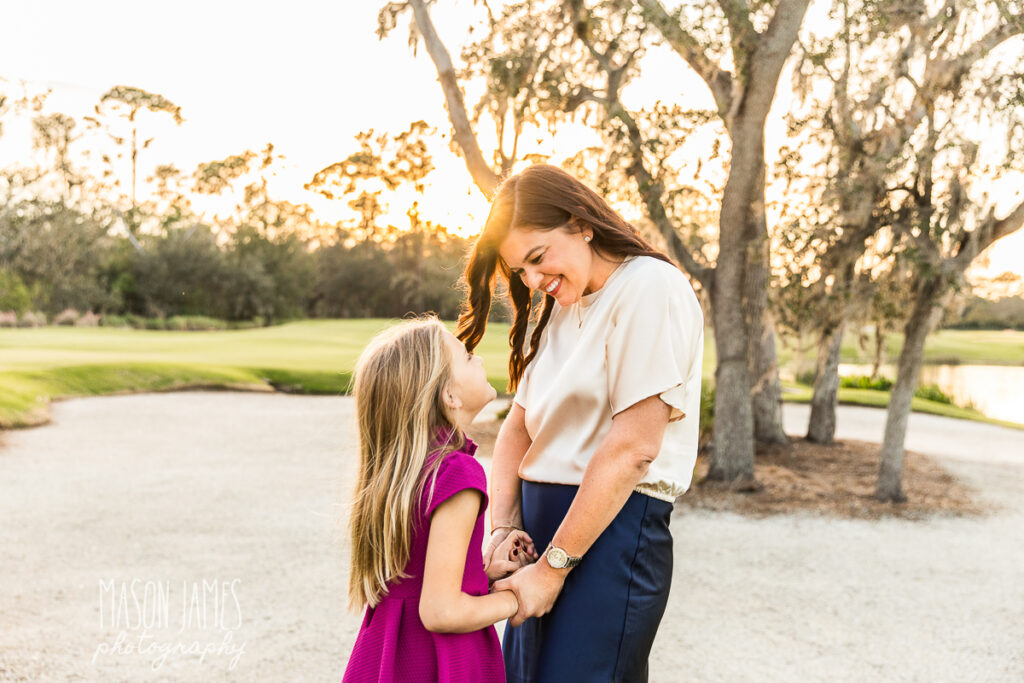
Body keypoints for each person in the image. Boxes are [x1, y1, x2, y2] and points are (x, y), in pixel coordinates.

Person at [456, 164, 705, 682]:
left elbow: (633, 447)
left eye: (537, 258)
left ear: (580, 223)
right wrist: (505, 527)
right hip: (542, 537)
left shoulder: (650, 287)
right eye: (519, 271)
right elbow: (517, 432)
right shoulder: (562, 310)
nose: (533, 281)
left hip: (611, 537)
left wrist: (553, 569)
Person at [342, 317, 538, 683]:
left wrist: (480, 574)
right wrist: (518, 598)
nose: (476, 357)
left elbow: (417, 574)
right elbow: (441, 611)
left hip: (386, 653)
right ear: (449, 395)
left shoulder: (404, 469)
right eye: (465, 356)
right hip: (437, 661)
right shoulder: (456, 472)